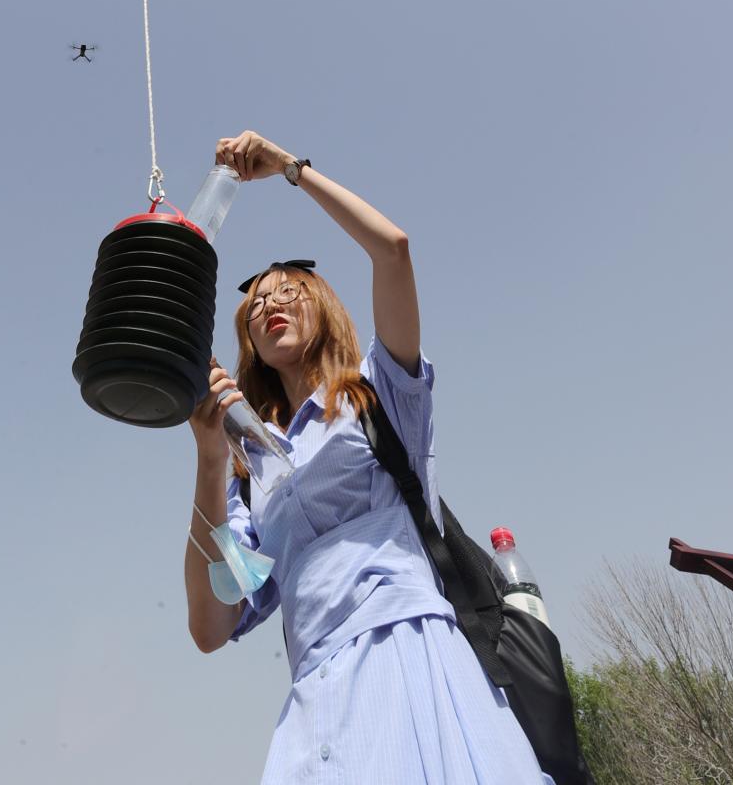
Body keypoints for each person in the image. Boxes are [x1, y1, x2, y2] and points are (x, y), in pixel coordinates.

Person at [185, 130, 553, 784]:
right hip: (316, 701)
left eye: (288, 291)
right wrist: (211, 457)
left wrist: (290, 168)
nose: (270, 305)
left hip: (411, 659)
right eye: (256, 304)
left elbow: (393, 249)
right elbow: (213, 626)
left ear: (322, 306)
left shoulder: (379, 394)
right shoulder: (251, 472)